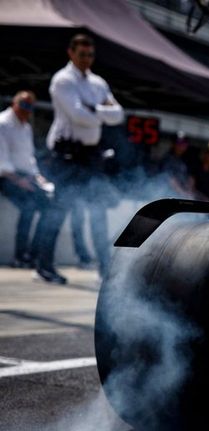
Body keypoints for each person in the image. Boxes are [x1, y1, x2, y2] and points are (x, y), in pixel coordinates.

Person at [34, 34, 123, 283]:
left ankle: (105, 269)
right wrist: (100, 112)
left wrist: (93, 109)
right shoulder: (63, 80)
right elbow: (77, 115)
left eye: (90, 55)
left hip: (90, 156)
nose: (87, 59)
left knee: (98, 212)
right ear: (71, 53)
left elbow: (118, 115)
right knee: (58, 211)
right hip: (66, 155)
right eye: (82, 54)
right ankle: (43, 266)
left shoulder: (98, 83)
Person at [0, 91, 53, 268]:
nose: (26, 111)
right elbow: (2, 161)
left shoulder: (26, 127)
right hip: (6, 177)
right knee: (28, 207)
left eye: (29, 107)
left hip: (25, 177)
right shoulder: (3, 124)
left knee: (48, 207)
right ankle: (19, 255)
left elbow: (28, 158)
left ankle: (34, 254)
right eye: (23, 106)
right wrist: (18, 181)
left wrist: (37, 176)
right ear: (15, 104)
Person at [158, 132, 195, 198]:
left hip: (184, 193)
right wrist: (182, 193)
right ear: (173, 144)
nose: (181, 146)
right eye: (179, 143)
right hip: (168, 194)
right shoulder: (167, 159)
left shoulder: (186, 159)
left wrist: (189, 190)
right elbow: (169, 178)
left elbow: (191, 177)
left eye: (184, 143)